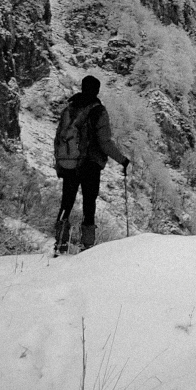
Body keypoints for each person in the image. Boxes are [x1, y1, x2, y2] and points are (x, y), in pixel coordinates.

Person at [52, 75, 130, 255]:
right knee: (89, 204)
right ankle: (87, 247)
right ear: (96, 90)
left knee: (66, 203)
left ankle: (60, 244)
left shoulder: (69, 109)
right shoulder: (98, 111)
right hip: (90, 165)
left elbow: (58, 138)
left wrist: (60, 163)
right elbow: (105, 142)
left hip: (70, 164)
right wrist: (122, 160)